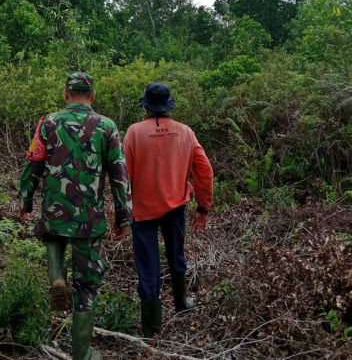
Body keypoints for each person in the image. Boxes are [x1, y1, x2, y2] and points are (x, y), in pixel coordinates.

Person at [17, 72, 132, 360]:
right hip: (89, 219)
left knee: (50, 231)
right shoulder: (107, 126)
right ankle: (82, 353)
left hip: (54, 212)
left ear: (66, 95)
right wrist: (123, 215)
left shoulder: (48, 122)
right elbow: (119, 175)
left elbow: (34, 163)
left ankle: (56, 276)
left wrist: (25, 200)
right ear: (92, 96)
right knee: (88, 285)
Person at [123, 82, 213, 338]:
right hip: (176, 206)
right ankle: (181, 303)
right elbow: (205, 171)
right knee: (176, 255)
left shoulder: (134, 132)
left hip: (142, 210)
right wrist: (203, 208)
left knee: (148, 266)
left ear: (147, 107)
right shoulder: (185, 132)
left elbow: (124, 175)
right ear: (168, 105)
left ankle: (152, 327)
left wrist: (121, 211)